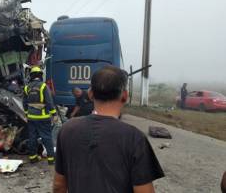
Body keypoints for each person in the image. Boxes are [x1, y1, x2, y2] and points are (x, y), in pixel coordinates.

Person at [54, 65, 164, 193]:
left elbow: (58, 185)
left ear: (90, 94)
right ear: (125, 96)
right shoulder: (134, 138)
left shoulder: (67, 130)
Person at [23, 66, 57, 165]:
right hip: (43, 117)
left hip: (31, 117)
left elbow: (24, 103)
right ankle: (51, 159)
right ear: (40, 75)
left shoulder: (27, 87)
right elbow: (49, 102)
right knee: (46, 137)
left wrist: (26, 114)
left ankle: (33, 157)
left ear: (31, 76)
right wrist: (54, 114)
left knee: (32, 137)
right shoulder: (43, 86)